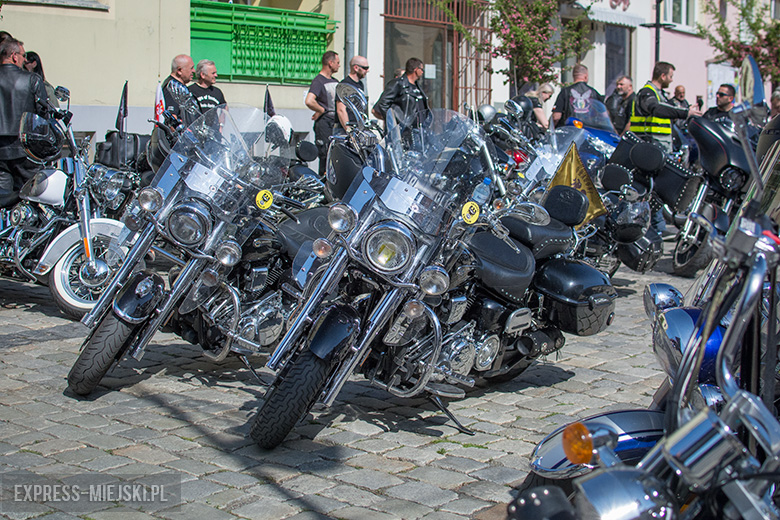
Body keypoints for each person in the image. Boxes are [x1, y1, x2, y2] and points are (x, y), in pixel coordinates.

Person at [630, 62, 701, 239]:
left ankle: (656, 228)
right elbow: (656, 108)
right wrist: (685, 113)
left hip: (658, 148)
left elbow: (669, 113)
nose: (671, 79)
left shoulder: (660, 94)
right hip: (650, 147)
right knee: (653, 189)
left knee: (656, 190)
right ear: (663, 76)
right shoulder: (648, 93)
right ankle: (655, 228)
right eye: (670, 76)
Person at [0, 37, 49, 192]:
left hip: (1, 151)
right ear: (14, 56)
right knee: (30, 195)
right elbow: (43, 114)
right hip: (24, 149)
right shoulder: (31, 79)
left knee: (3, 199)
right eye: (22, 55)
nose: (24, 59)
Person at [305, 50, 340, 174]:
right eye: (337, 62)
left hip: (335, 124)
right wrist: (321, 110)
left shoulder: (335, 81)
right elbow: (309, 101)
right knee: (326, 156)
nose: (339, 65)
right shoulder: (318, 81)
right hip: (324, 124)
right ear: (330, 63)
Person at [372, 57, 429, 123]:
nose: (422, 72)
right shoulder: (398, 84)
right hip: (403, 130)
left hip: (418, 130)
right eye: (421, 69)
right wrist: (394, 121)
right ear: (416, 69)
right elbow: (382, 104)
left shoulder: (417, 86)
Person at [334, 55, 369, 136]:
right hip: (343, 130)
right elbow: (341, 110)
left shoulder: (360, 85)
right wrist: (348, 130)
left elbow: (360, 109)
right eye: (365, 68)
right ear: (356, 68)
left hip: (357, 129)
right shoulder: (344, 85)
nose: (367, 70)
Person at [161, 54, 200, 127]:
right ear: (179, 70)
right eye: (191, 68)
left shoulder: (180, 86)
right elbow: (171, 118)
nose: (194, 71)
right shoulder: (172, 87)